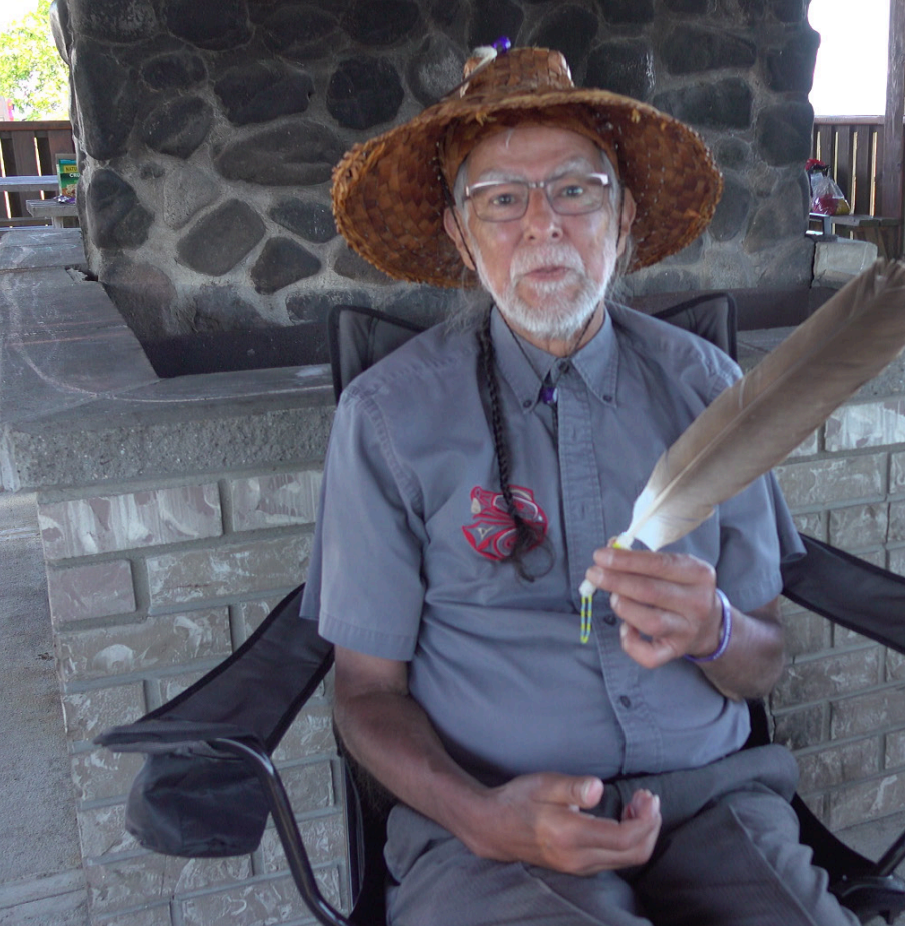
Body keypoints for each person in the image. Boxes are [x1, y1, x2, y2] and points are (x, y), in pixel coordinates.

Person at [303, 43, 860, 926]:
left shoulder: (710, 394)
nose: (541, 224)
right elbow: (365, 696)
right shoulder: (387, 420)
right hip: (487, 825)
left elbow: (764, 662)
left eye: (575, 189)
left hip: (714, 800)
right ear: (460, 234)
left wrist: (715, 631)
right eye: (500, 199)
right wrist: (482, 816)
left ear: (625, 215)